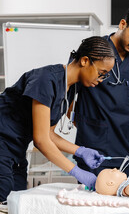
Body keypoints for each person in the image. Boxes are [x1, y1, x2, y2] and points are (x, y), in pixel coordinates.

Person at [0, 36, 116, 202]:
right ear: (84, 61)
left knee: (16, 198)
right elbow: (40, 140)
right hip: (2, 141)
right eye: (101, 73)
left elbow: (49, 134)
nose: (100, 80)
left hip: (16, 150)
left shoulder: (70, 89)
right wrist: (76, 171)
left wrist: (80, 151)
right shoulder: (45, 80)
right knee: (3, 194)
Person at [73, 3, 129, 178]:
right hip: (91, 143)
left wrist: (118, 120)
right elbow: (69, 88)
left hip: (124, 146)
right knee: (90, 201)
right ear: (122, 24)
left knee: (125, 200)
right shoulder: (93, 49)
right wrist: (83, 120)